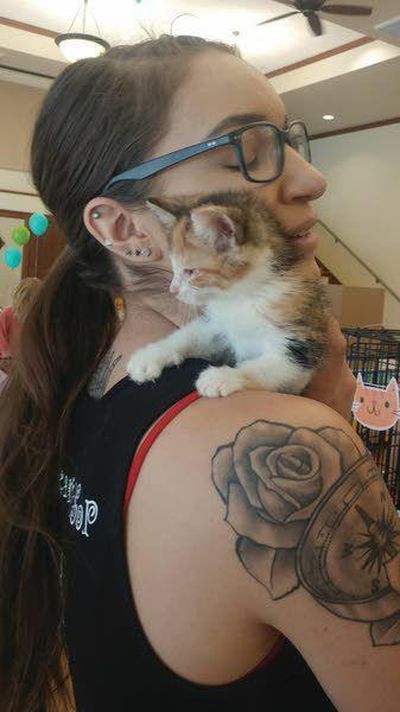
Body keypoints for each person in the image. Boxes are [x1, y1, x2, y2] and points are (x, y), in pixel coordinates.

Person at [0, 35, 399, 712]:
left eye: (285, 137)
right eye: (246, 147)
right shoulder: (286, 440)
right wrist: (331, 425)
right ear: (127, 228)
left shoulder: (84, 381)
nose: (310, 177)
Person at [0, 277, 41, 375]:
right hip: (6, 361)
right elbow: (1, 337)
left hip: (27, 363)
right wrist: (7, 356)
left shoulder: (39, 320)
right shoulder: (6, 315)